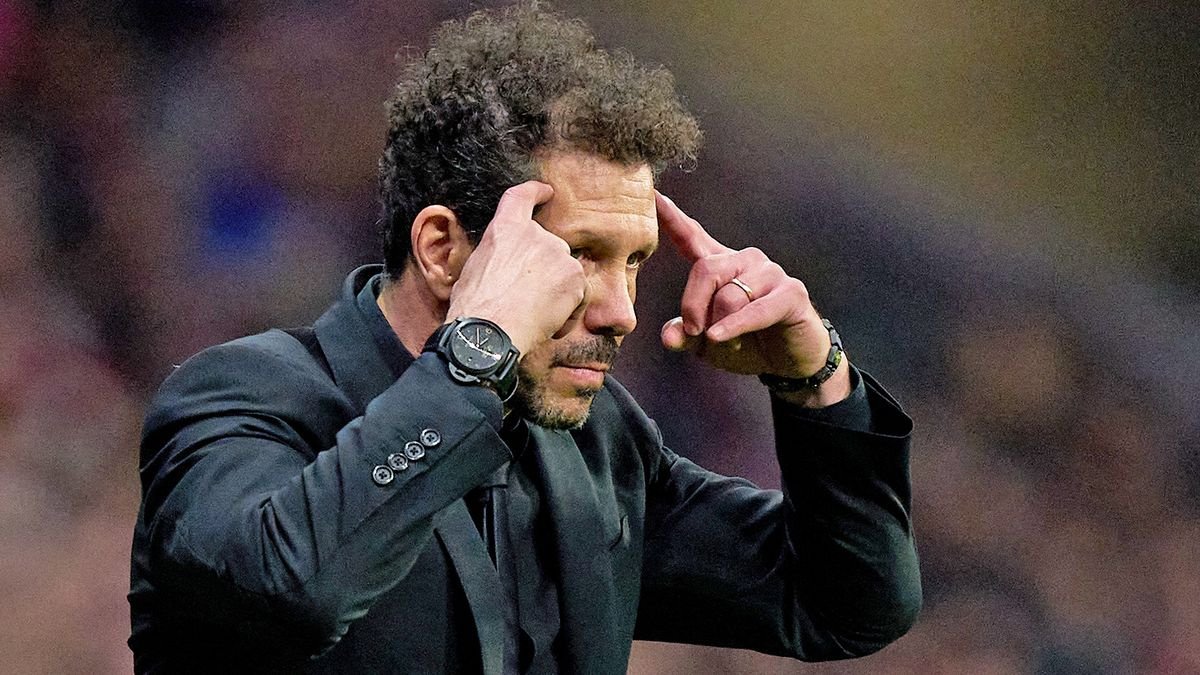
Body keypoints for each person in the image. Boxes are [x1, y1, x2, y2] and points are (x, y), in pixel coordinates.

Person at [128, 6, 921, 674]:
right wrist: (475, 356)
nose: (621, 311)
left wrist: (816, 377)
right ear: (443, 249)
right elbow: (293, 589)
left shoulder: (595, 447)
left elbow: (848, 602)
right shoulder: (241, 397)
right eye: (580, 254)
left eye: (634, 262)